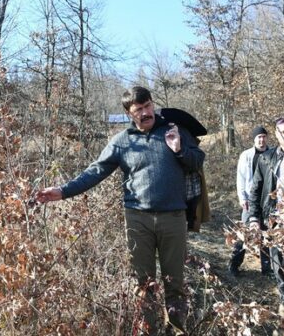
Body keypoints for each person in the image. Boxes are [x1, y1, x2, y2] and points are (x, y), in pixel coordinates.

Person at [36, 86, 205, 335]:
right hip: (137, 220)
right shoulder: (122, 141)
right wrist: (62, 191)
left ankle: (177, 330)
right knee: (143, 284)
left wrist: (179, 149)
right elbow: (95, 171)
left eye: (148, 106)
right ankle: (150, 331)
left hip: (173, 218)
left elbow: (197, 160)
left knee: (175, 283)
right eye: (139, 110)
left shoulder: (173, 130)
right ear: (129, 113)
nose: (146, 113)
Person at [249, 116, 284, 300]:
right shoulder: (266, 158)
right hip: (276, 221)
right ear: (277, 135)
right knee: (280, 268)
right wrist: (254, 219)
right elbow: (255, 190)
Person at [229, 126, 271, 277]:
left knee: (267, 234)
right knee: (244, 233)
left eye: (264, 136)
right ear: (254, 139)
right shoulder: (246, 155)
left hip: (267, 201)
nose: (261, 139)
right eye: (259, 137)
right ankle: (234, 265)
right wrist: (242, 198)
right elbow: (240, 178)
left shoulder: (272, 154)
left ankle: (267, 269)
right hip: (249, 200)